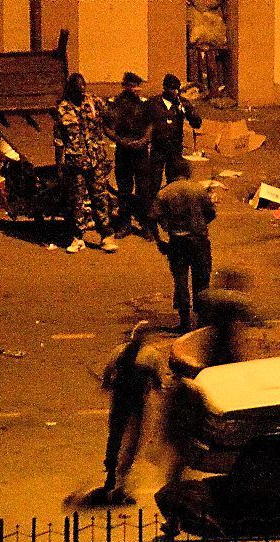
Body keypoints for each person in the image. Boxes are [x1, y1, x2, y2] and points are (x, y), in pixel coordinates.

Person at [54, 73, 119, 254]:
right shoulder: (62, 109)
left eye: (84, 89)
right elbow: (59, 141)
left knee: (100, 198)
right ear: (71, 89)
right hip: (75, 164)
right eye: (78, 90)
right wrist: (59, 166)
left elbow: (111, 115)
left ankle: (106, 236)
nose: (82, 93)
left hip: (96, 160)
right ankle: (77, 237)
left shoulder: (93, 101)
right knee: (76, 201)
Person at [101, 321, 162, 505]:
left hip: (120, 400)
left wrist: (107, 384)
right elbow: (157, 381)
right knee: (133, 440)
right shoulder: (151, 355)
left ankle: (111, 473)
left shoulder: (119, 351)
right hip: (136, 402)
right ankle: (121, 479)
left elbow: (108, 373)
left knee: (115, 436)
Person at [155, 159, 216, 332]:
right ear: (188, 171)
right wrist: (199, 225)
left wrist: (160, 239)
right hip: (199, 241)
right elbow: (211, 213)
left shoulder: (164, 193)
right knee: (202, 281)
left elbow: (153, 217)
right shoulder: (198, 190)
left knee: (180, 281)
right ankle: (202, 321)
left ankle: (184, 322)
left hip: (177, 242)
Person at [140, 74, 203, 240]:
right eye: (171, 89)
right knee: (153, 186)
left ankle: (173, 221)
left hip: (175, 152)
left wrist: (186, 111)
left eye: (176, 89)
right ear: (164, 88)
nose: (174, 92)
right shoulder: (153, 104)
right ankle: (149, 225)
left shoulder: (182, 104)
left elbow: (197, 123)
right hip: (157, 151)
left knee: (174, 186)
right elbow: (142, 122)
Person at [105, 72, 152, 239]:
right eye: (133, 86)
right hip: (123, 152)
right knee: (124, 190)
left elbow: (150, 126)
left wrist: (144, 140)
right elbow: (108, 128)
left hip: (140, 152)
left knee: (143, 190)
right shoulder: (116, 105)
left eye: (138, 86)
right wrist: (121, 141)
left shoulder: (144, 105)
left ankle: (146, 225)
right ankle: (125, 224)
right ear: (125, 86)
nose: (137, 89)